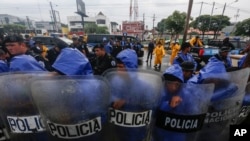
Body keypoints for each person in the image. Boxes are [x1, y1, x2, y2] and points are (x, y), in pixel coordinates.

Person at [107, 48, 160, 141]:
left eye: (121, 67)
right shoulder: (115, 81)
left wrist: (128, 101)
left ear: (129, 67)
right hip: (118, 130)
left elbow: (152, 107)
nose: (118, 70)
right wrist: (113, 102)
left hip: (137, 132)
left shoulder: (145, 87)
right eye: (117, 67)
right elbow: (108, 97)